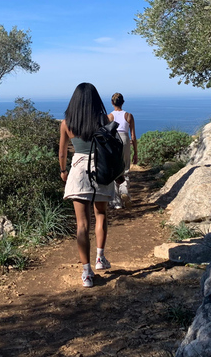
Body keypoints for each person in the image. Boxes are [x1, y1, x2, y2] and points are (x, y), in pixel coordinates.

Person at [59, 82, 116, 288]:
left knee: (82, 224)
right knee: (101, 214)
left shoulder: (66, 123)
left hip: (78, 170)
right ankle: (100, 258)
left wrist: (63, 171)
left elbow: (63, 153)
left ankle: (86, 273)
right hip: (100, 170)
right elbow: (112, 148)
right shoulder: (105, 119)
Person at [107, 92, 137, 209]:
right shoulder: (129, 116)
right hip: (125, 140)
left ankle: (116, 202)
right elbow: (133, 136)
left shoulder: (109, 117)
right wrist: (135, 153)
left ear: (112, 103)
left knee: (114, 169)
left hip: (114, 141)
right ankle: (124, 190)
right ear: (122, 102)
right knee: (125, 168)